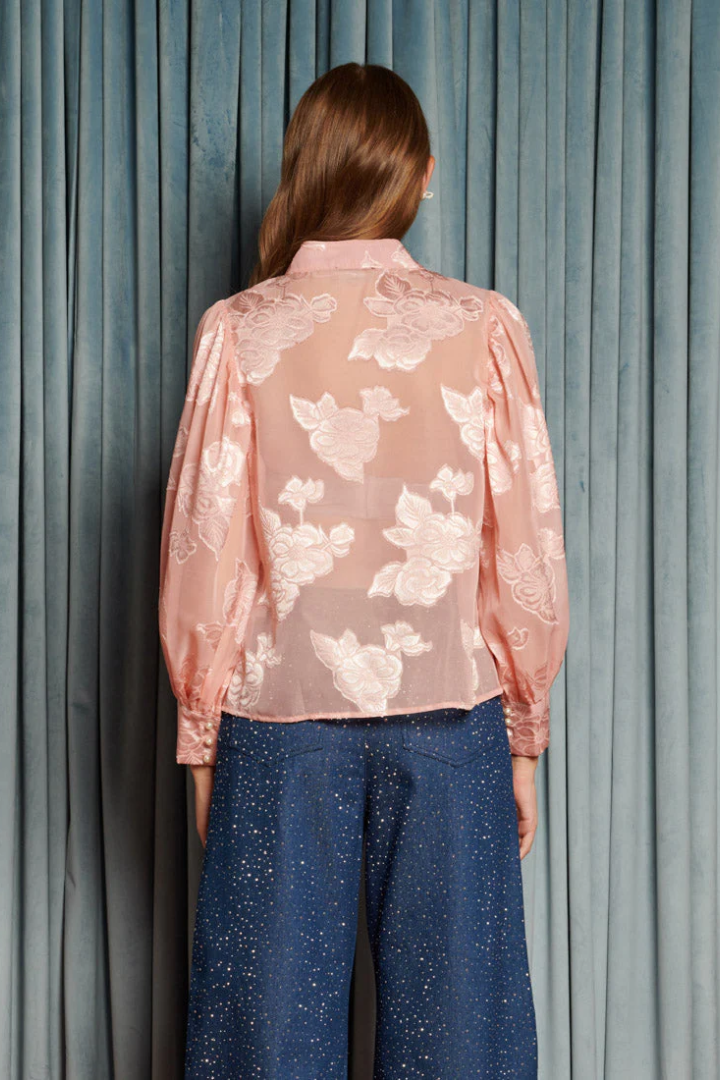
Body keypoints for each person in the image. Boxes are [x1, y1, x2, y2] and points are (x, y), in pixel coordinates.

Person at [159, 61, 569, 1080]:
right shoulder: (484, 326)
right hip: (452, 717)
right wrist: (523, 736)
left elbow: (205, 549)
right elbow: (523, 548)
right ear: (420, 175)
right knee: (462, 1047)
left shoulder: (236, 330)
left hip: (276, 726)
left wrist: (204, 742)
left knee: (262, 1048)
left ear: (304, 169)